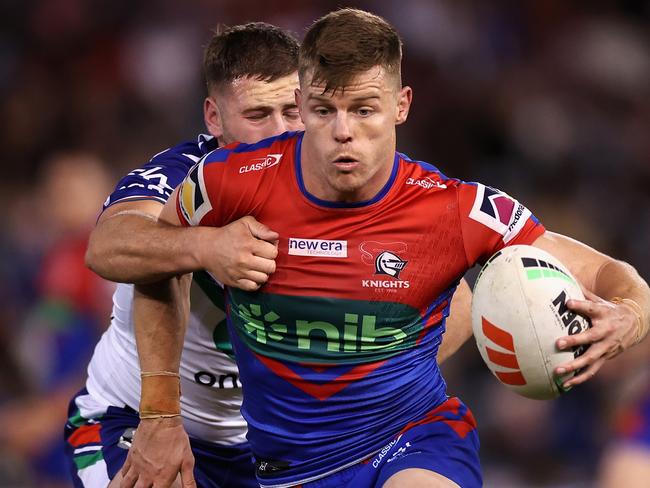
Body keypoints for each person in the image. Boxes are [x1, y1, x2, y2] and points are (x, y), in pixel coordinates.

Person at [139, 8, 650, 488]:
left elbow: (609, 274)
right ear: (300, 102)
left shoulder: (454, 209)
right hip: (286, 468)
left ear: (401, 105)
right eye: (323, 110)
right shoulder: (229, 182)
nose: (344, 133)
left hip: (412, 440)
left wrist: (630, 314)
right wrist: (159, 413)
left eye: (364, 110)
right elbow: (155, 262)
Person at [73, 20, 474, 488]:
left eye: (293, 110)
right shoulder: (189, 176)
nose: (281, 130)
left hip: (276, 448)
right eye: (259, 115)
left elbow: (456, 300)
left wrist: (359, 382)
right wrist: (206, 244)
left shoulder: (335, 180)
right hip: (140, 420)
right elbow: (110, 245)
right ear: (214, 118)